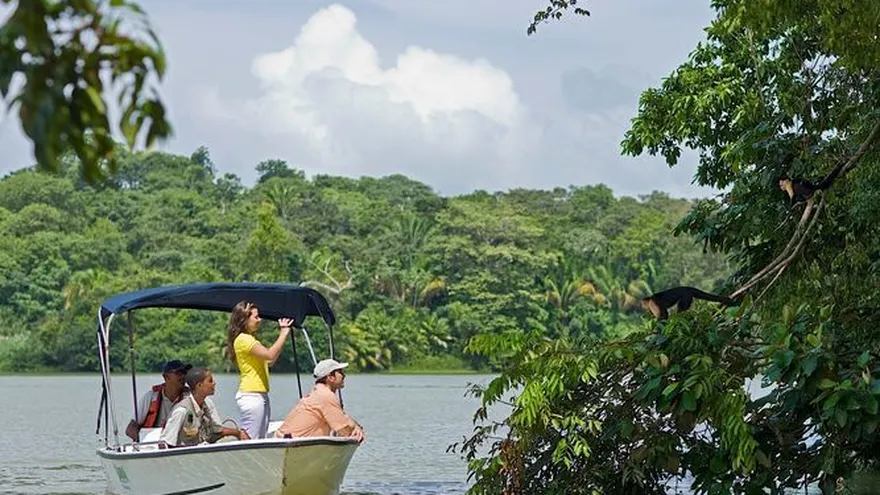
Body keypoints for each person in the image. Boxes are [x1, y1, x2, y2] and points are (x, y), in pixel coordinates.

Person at [226, 300, 293, 439]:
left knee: (259, 438)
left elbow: (269, 361)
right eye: (256, 317)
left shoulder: (250, 338)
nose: (259, 320)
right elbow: (269, 354)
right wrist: (283, 333)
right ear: (244, 319)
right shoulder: (244, 339)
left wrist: (283, 335)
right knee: (251, 439)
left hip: (260, 394)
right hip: (251, 396)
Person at [274, 359, 365, 443]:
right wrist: (356, 430)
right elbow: (344, 431)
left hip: (283, 441)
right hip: (293, 444)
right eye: (340, 372)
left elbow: (342, 417)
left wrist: (356, 426)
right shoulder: (326, 396)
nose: (344, 375)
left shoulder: (318, 393)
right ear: (331, 377)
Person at [159, 367, 249, 448]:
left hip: (203, 449)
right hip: (187, 455)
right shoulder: (182, 410)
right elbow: (165, 443)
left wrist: (237, 432)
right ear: (199, 385)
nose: (214, 383)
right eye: (210, 381)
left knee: (232, 440)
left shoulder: (207, 405)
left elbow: (217, 431)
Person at [125, 359, 192, 442]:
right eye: (179, 373)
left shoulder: (190, 397)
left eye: (185, 373)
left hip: (181, 444)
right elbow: (131, 427)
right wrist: (141, 440)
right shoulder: (151, 397)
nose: (183, 376)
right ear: (166, 377)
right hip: (153, 445)